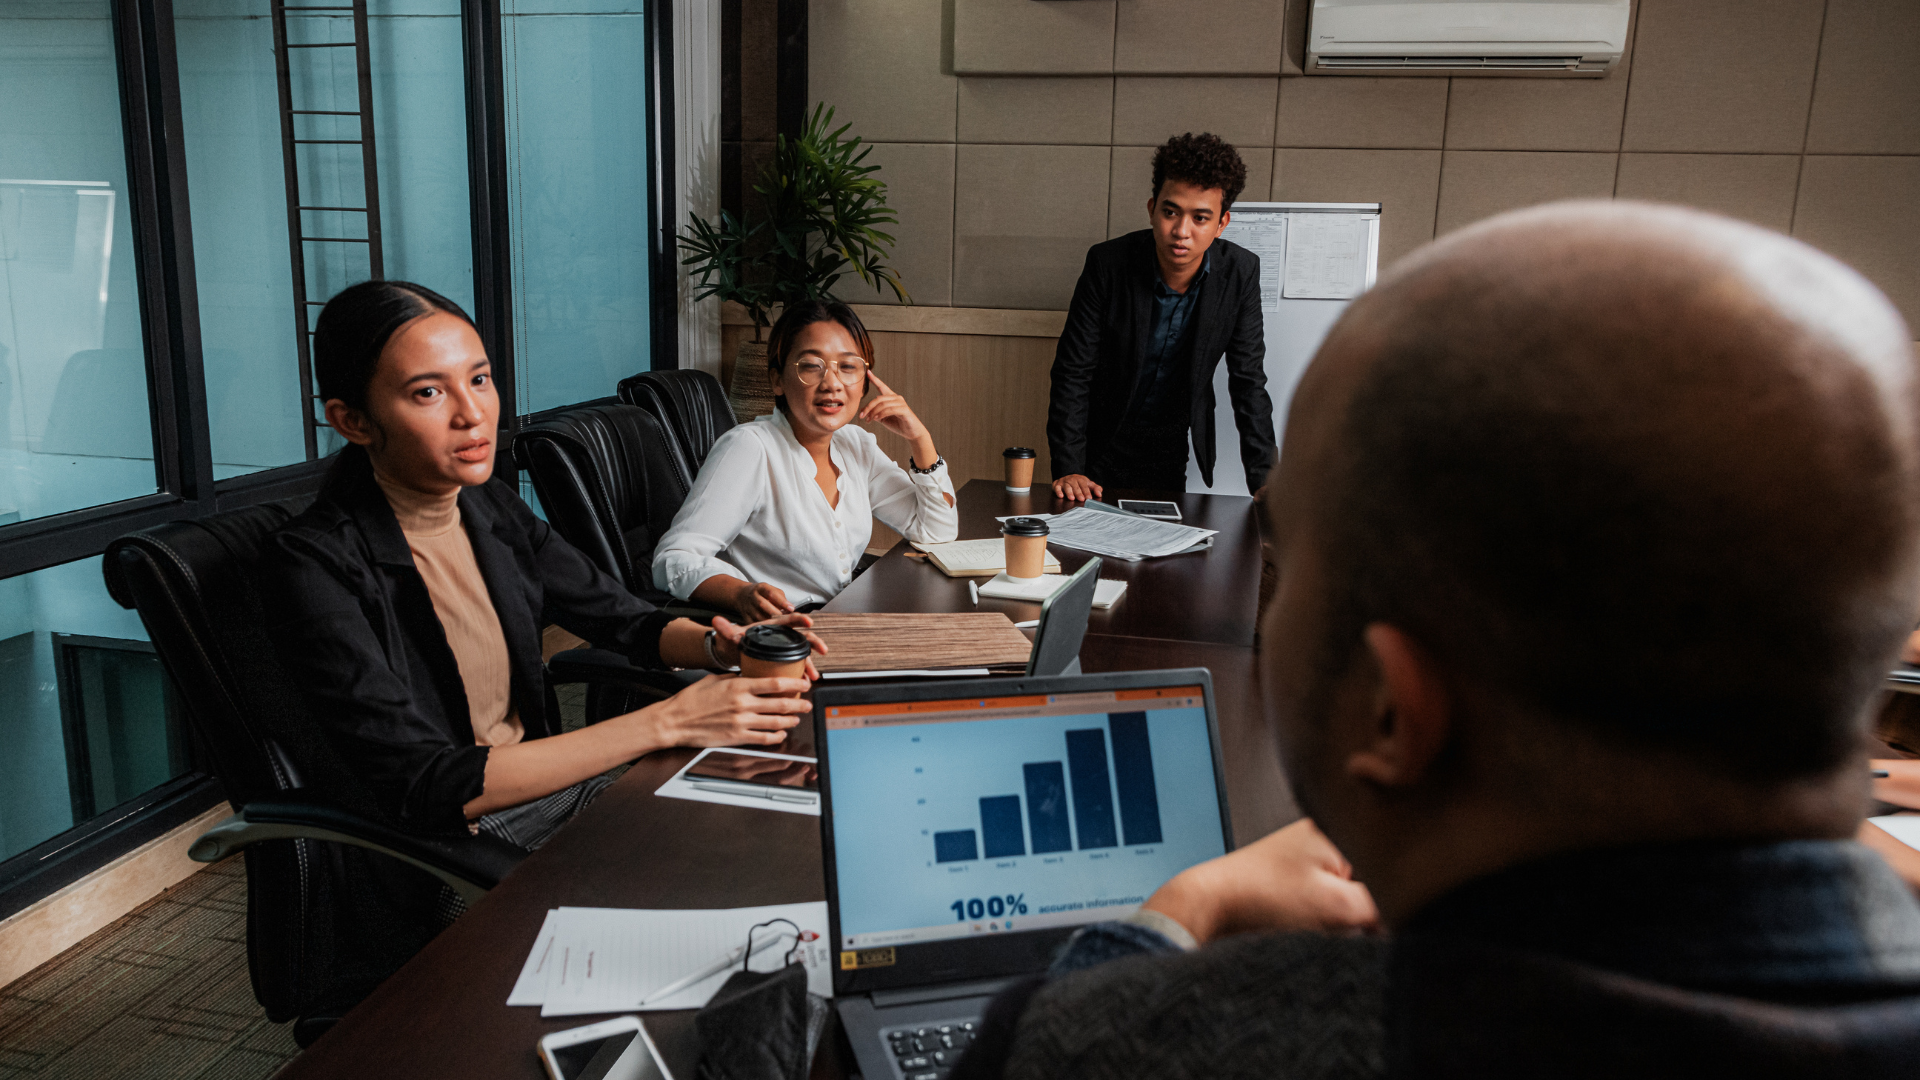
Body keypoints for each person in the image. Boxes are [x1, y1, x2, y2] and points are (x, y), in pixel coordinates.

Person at [953, 201, 1920, 1079]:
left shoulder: (1118, 1046)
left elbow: (1065, 1038)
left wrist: (1179, 911)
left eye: (1288, 573)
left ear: (1390, 708)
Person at [260, 280, 824, 851]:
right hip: (456, 842)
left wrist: (721, 647)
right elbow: (426, 783)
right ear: (353, 421)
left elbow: (622, 619)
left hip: (552, 796)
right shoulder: (311, 564)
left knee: (797, 823)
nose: (472, 412)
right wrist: (671, 721)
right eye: (429, 393)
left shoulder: (486, 506)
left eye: (479, 379)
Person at [652, 300, 957, 620]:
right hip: (783, 641)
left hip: (842, 621)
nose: (832, 383)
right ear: (777, 380)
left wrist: (920, 438)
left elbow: (936, 531)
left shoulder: (856, 446)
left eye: (848, 366)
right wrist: (741, 594)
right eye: (812, 366)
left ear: (865, 380)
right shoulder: (750, 448)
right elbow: (673, 559)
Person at [1047, 132, 1277, 501]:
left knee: (1162, 551)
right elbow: (1073, 371)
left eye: (1201, 218)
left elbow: (1248, 381)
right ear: (1152, 208)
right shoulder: (1108, 264)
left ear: (1221, 224)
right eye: (1171, 212)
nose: (1181, 232)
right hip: (1097, 443)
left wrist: (1265, 480)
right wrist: (1069, 465)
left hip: (1170, 446)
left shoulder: (1240, 273)